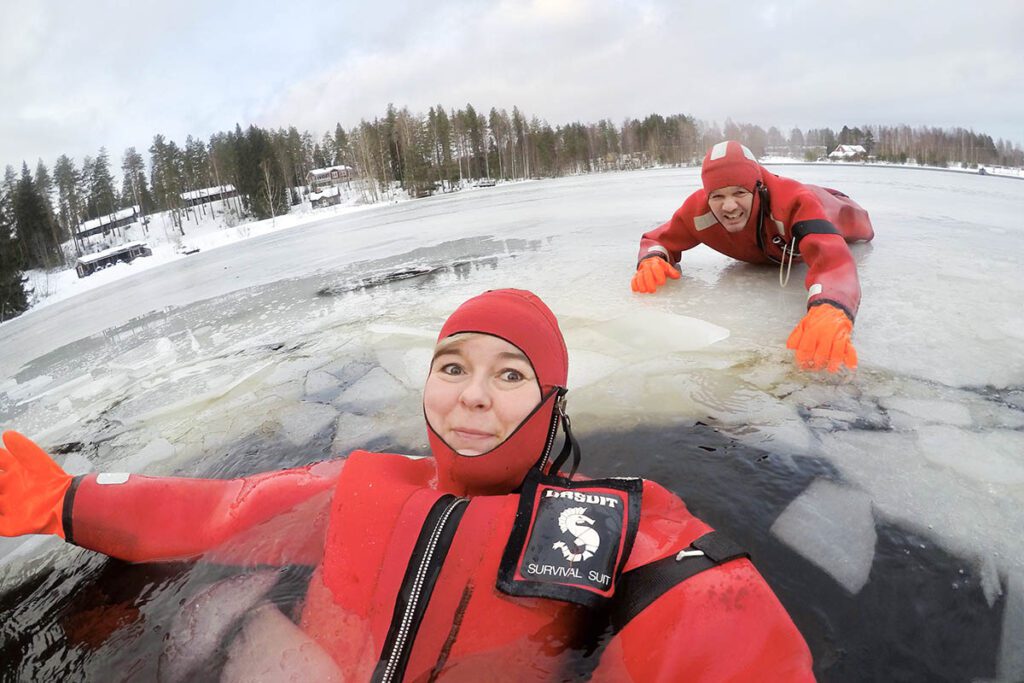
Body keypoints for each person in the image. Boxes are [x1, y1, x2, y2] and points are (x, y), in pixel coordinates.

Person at [1, 289, 814, 681]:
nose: (471, 395)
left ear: (551, 401)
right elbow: (219, 510)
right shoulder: (361, 482)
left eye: (509, 374)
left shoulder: (606, 521)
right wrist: (60, 500)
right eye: (452, 366)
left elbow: (718, 621)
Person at [631, 141, 875, 373]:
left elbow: (833, 258)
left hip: (831, 203)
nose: (728, 206)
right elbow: (658, 239)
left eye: (739, 192)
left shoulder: (795, 203)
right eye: (717, 196)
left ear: (758, 189)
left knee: (863, 228)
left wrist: (832, 305)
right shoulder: (699, 213)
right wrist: (653, 258)